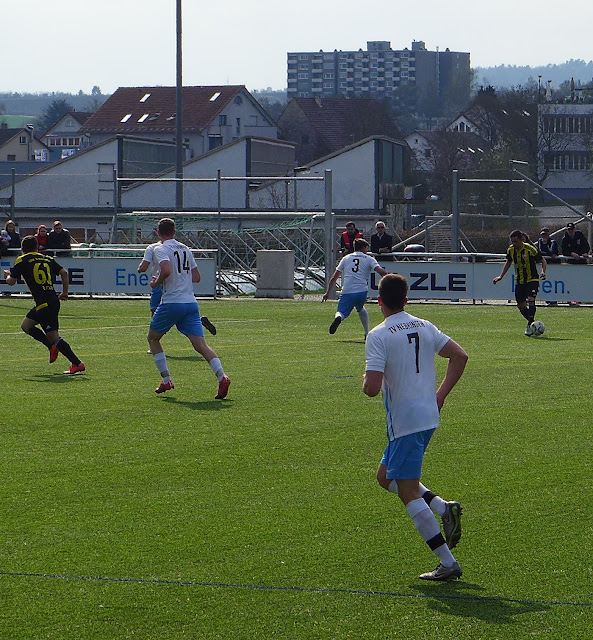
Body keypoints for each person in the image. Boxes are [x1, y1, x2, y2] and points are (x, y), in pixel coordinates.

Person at [363, 273, 468, 581]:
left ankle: (448, 563)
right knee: (385, 476)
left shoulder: (379, 334)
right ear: (406, 300)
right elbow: (459, 356)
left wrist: (364, 381)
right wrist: (441, 394)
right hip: (427, 416)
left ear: (379, 301)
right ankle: (443, 507)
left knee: (406, 490)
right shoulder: (424, 325)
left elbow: (371, 388)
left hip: (406, 421)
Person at [147, 217, 230, 399]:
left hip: (172, 302)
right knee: (201, 345)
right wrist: (181, 279)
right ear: (175, 232)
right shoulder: (186, 249)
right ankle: (222, 376)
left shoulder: (161, 248)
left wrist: (156, 282)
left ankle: (166, 379)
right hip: (191, 303)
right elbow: (197, 277)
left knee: (153, 339)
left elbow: (166, 271)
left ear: (158, 233)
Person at [3, 235, 85, 374]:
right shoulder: (47, 258)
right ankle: (51, 347)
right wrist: (65, 292)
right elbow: (64, 272)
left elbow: (11, 282)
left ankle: (77, 363)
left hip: (44, 304)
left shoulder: (22, 259)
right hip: (51, 300)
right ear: (37, 247)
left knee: (54, 337)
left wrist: (7, 275)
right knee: (26, 326)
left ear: (22, 249)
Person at [138, 242, 217, 338]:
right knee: (176, 312)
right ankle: (199, 321)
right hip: (181, 287)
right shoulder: (182, 247)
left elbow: (144, 266)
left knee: (157, 312)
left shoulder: (154, 248)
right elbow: (196, 277)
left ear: (158, 232)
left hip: (162, 283)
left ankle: (154, 341)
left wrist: (140, 269)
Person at [322, 238, 388, 338]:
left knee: (341, 312)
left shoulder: (346, 258)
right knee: (360, 308)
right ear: (364, 248)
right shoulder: (369, 259)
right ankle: (366, 332)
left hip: (347, 290)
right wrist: (389, 280)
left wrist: (327, 293)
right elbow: (382, 272)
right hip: (362, 291)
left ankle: (339, 317)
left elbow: (334, 277)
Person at [493, 229, 547, 336]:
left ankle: (529, 325)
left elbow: (543, 260)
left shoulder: (530, 249)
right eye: (512, 241)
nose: (514, 244)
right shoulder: (511, 250)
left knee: (531, 299)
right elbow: (508, 262)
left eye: (516, 241)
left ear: (521, 240)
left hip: (532, 279)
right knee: (520, 305)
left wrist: (543, 271)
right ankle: (533, 323)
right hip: (519, 281)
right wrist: (501, 276)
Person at [536, 227, 559, 305]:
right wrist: (548, 253)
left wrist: (545, 246)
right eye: (543, 234)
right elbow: (539, 252)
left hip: (553, 264)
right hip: (544, 264)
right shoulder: (540, 241)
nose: (544, 236)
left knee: (553, 280)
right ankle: (547, 299)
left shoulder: (553, 242)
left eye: (545, 234)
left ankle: (553, 300)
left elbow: (553, 251)